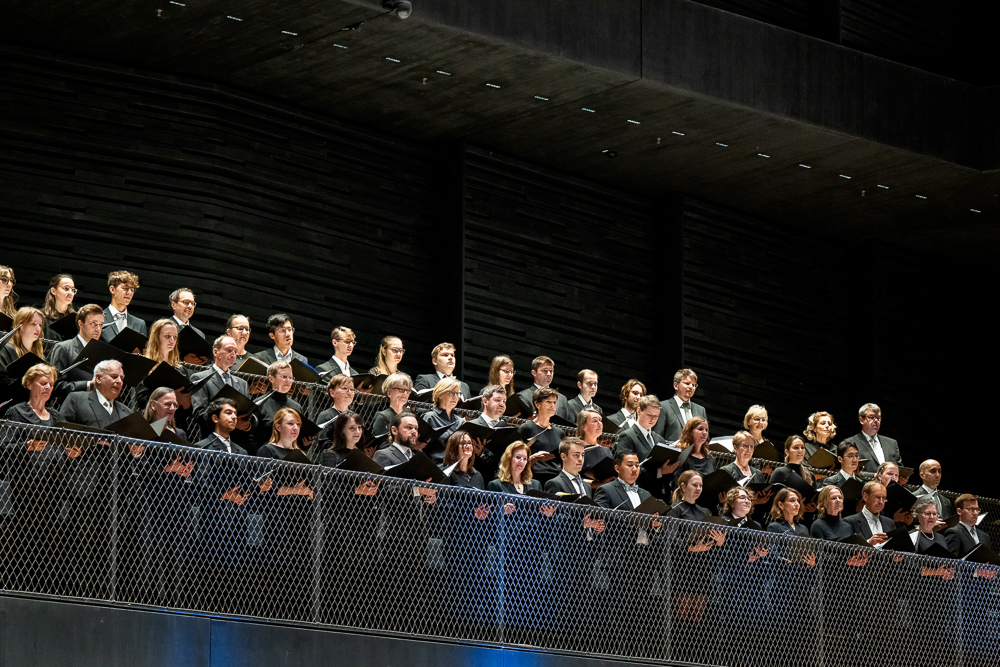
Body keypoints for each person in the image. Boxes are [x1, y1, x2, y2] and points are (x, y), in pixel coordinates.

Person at [615, 395, 678, 499]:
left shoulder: (659, 440)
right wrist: (659, 472)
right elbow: (625, 470)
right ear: (639, 411)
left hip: (660, 495)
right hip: (638, 494)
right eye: (649, 415)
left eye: (656, 416)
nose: (653, 419)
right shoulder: (627, 436)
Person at [251, 361, 305, 455]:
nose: (288, 380)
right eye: (284, 377)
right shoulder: (260, 404)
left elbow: (299, 439)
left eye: (290, 377)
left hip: (290, 457)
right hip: (265, 456)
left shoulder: (296, 407)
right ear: (271, 378)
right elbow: (252, 437)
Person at [49, 303, 104, 396]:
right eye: (93, 323)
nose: (98, 329)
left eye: (101, 325)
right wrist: (88, 385)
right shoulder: (63, 348)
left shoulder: (102, 351)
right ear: (80, 324)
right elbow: (56, 386)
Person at [59, 359, 132, 427]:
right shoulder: (76, 400)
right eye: (114, 376)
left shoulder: (128, 413)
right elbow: (61, 434)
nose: (119, 381)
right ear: (98, 378)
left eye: (121, 378)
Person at [190, 335, 252, 415]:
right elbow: (199, 413)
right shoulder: (200, 378)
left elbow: (249, 413)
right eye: (229, 350)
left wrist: (247, 425)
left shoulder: (242, 384)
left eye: (235, 351)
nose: (233, 354)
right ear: (216, 352)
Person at [516, 387, 565, 485]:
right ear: (537, 404)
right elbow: (515, 456)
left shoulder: (560, 432)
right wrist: (534, 458)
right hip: (533, 477)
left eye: (554, 402)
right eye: (548, 402)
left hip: (554, 479)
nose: (552, 405)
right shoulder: (526, 428)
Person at [841, 403, 902, 473]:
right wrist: (875, 476)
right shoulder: (850, 443)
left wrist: (902, 477)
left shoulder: (892, 443)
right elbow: (849, 470)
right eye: (871, 417)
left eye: (878, 418)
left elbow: (899, 468)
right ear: (861, 420)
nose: (876, 420)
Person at [654, 369, 707, 440]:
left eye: (694, 385)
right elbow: (657, 438)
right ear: (676, 385)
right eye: (687, 383)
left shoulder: (701, 410)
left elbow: (705, 438)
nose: (691, 387)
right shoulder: (663, 407)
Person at [421, 378, 464, 464]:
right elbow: (421, 448)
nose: (455, 397)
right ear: (440, 394)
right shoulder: (429, 418)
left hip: (458, 466)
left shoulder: (461, 421)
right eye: (452, 392)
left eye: (458, 393)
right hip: (438, 466)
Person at [101, 270, 146, 341]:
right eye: (125, 288)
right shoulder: (99, 319)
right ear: (112, 289)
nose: (129, 293)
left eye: (132, 289)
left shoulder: (140, 324)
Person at [912, 459, 954, 524]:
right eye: (933, 471)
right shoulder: (913, 497)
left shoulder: (946, 501)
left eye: (939, 471)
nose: (937, 475)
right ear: (922, 475)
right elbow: (910, 524)